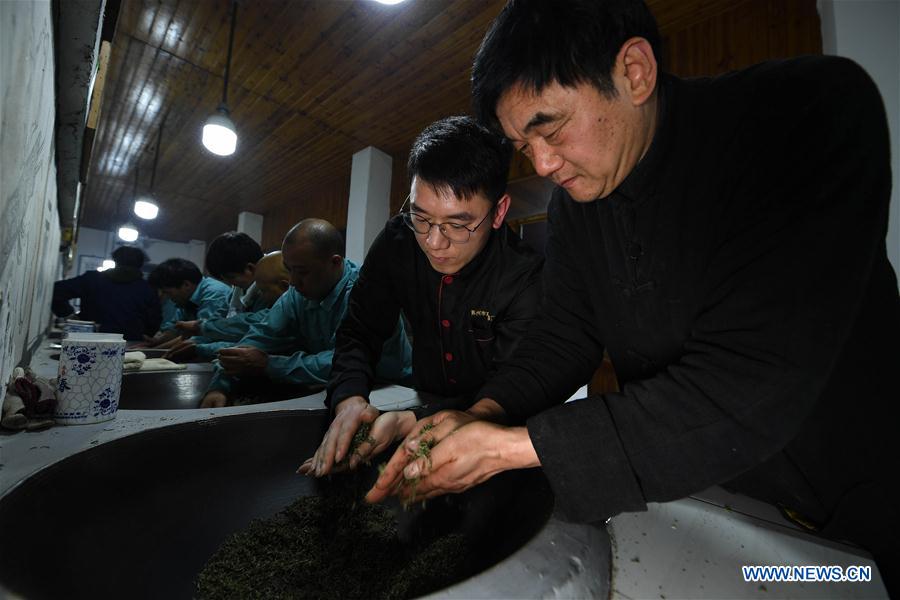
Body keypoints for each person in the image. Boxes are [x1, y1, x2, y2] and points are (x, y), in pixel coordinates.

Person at [367, 0, 900, 591]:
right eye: (524, 144)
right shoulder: (576, 208)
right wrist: (482, 414)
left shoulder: (805, 113)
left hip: (860, 505)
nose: (543, 163)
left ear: (635, 72)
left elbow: (752, 382)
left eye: (551, 128)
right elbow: (562, 336)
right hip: (709, 498)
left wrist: (507, 449)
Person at [301, 116, 544, 477]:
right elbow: (360, 330)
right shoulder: (397, 242)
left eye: (458, 225)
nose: (433, 243)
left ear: (499, 212)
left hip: (499, 426)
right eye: (421, 217)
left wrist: (421, 419)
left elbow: (515, 383)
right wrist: (349, 398)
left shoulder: (523, 274)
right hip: (422, 398)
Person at [199, 219, 413, 408]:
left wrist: (270, 364)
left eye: (302, 272)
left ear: (335, 262)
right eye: (289, 269)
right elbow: (261, 335)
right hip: (336, 388)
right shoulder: (296, 294)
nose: (292, 281)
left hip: (391, 392)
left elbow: (346, 360)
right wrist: (220, 385)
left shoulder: (367, 292)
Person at [166, 251, 291, 361]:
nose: (229, 283)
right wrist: (200, 338)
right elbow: (238, 330)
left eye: (301, 271)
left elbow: (254, 338)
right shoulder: (238, 291)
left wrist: (201, 342)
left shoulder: (281, 302)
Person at [51, 246, 161, 341]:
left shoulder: (93, 279)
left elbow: (56, 290)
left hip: (89, 341)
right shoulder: (148, 289)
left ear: (115, 260)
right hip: (129, 345)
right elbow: (154, 322)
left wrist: (69, 315)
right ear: (141, 264)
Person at [147, 258, 232, 349]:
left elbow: (202, 335)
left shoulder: (214, 294)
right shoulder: (186, 298)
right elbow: (174, 328)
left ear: (186, 285)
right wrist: (155, 342)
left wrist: (153, 350)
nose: (165, 296)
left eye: (167, 292)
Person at [202, 231, 267, 318]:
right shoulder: (238, 289)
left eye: (231, 277)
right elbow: (222, 313)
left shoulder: (270, 289)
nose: (231, 283)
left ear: (250, 268)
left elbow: (253, 322)